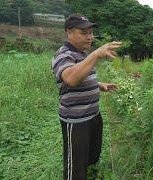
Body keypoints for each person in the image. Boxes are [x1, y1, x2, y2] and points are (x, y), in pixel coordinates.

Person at [51, 14, 122, 180]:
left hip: (93, 116)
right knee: (76, 170)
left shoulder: (82, 54)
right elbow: (70, 78)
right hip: (76, 122)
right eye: (84, 33)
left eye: (91, 32)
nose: (89, 36)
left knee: (91, 159)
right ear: (69, 32)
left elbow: (82, 75)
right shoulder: (63, 55)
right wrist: (96, 54)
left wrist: (99, 85)